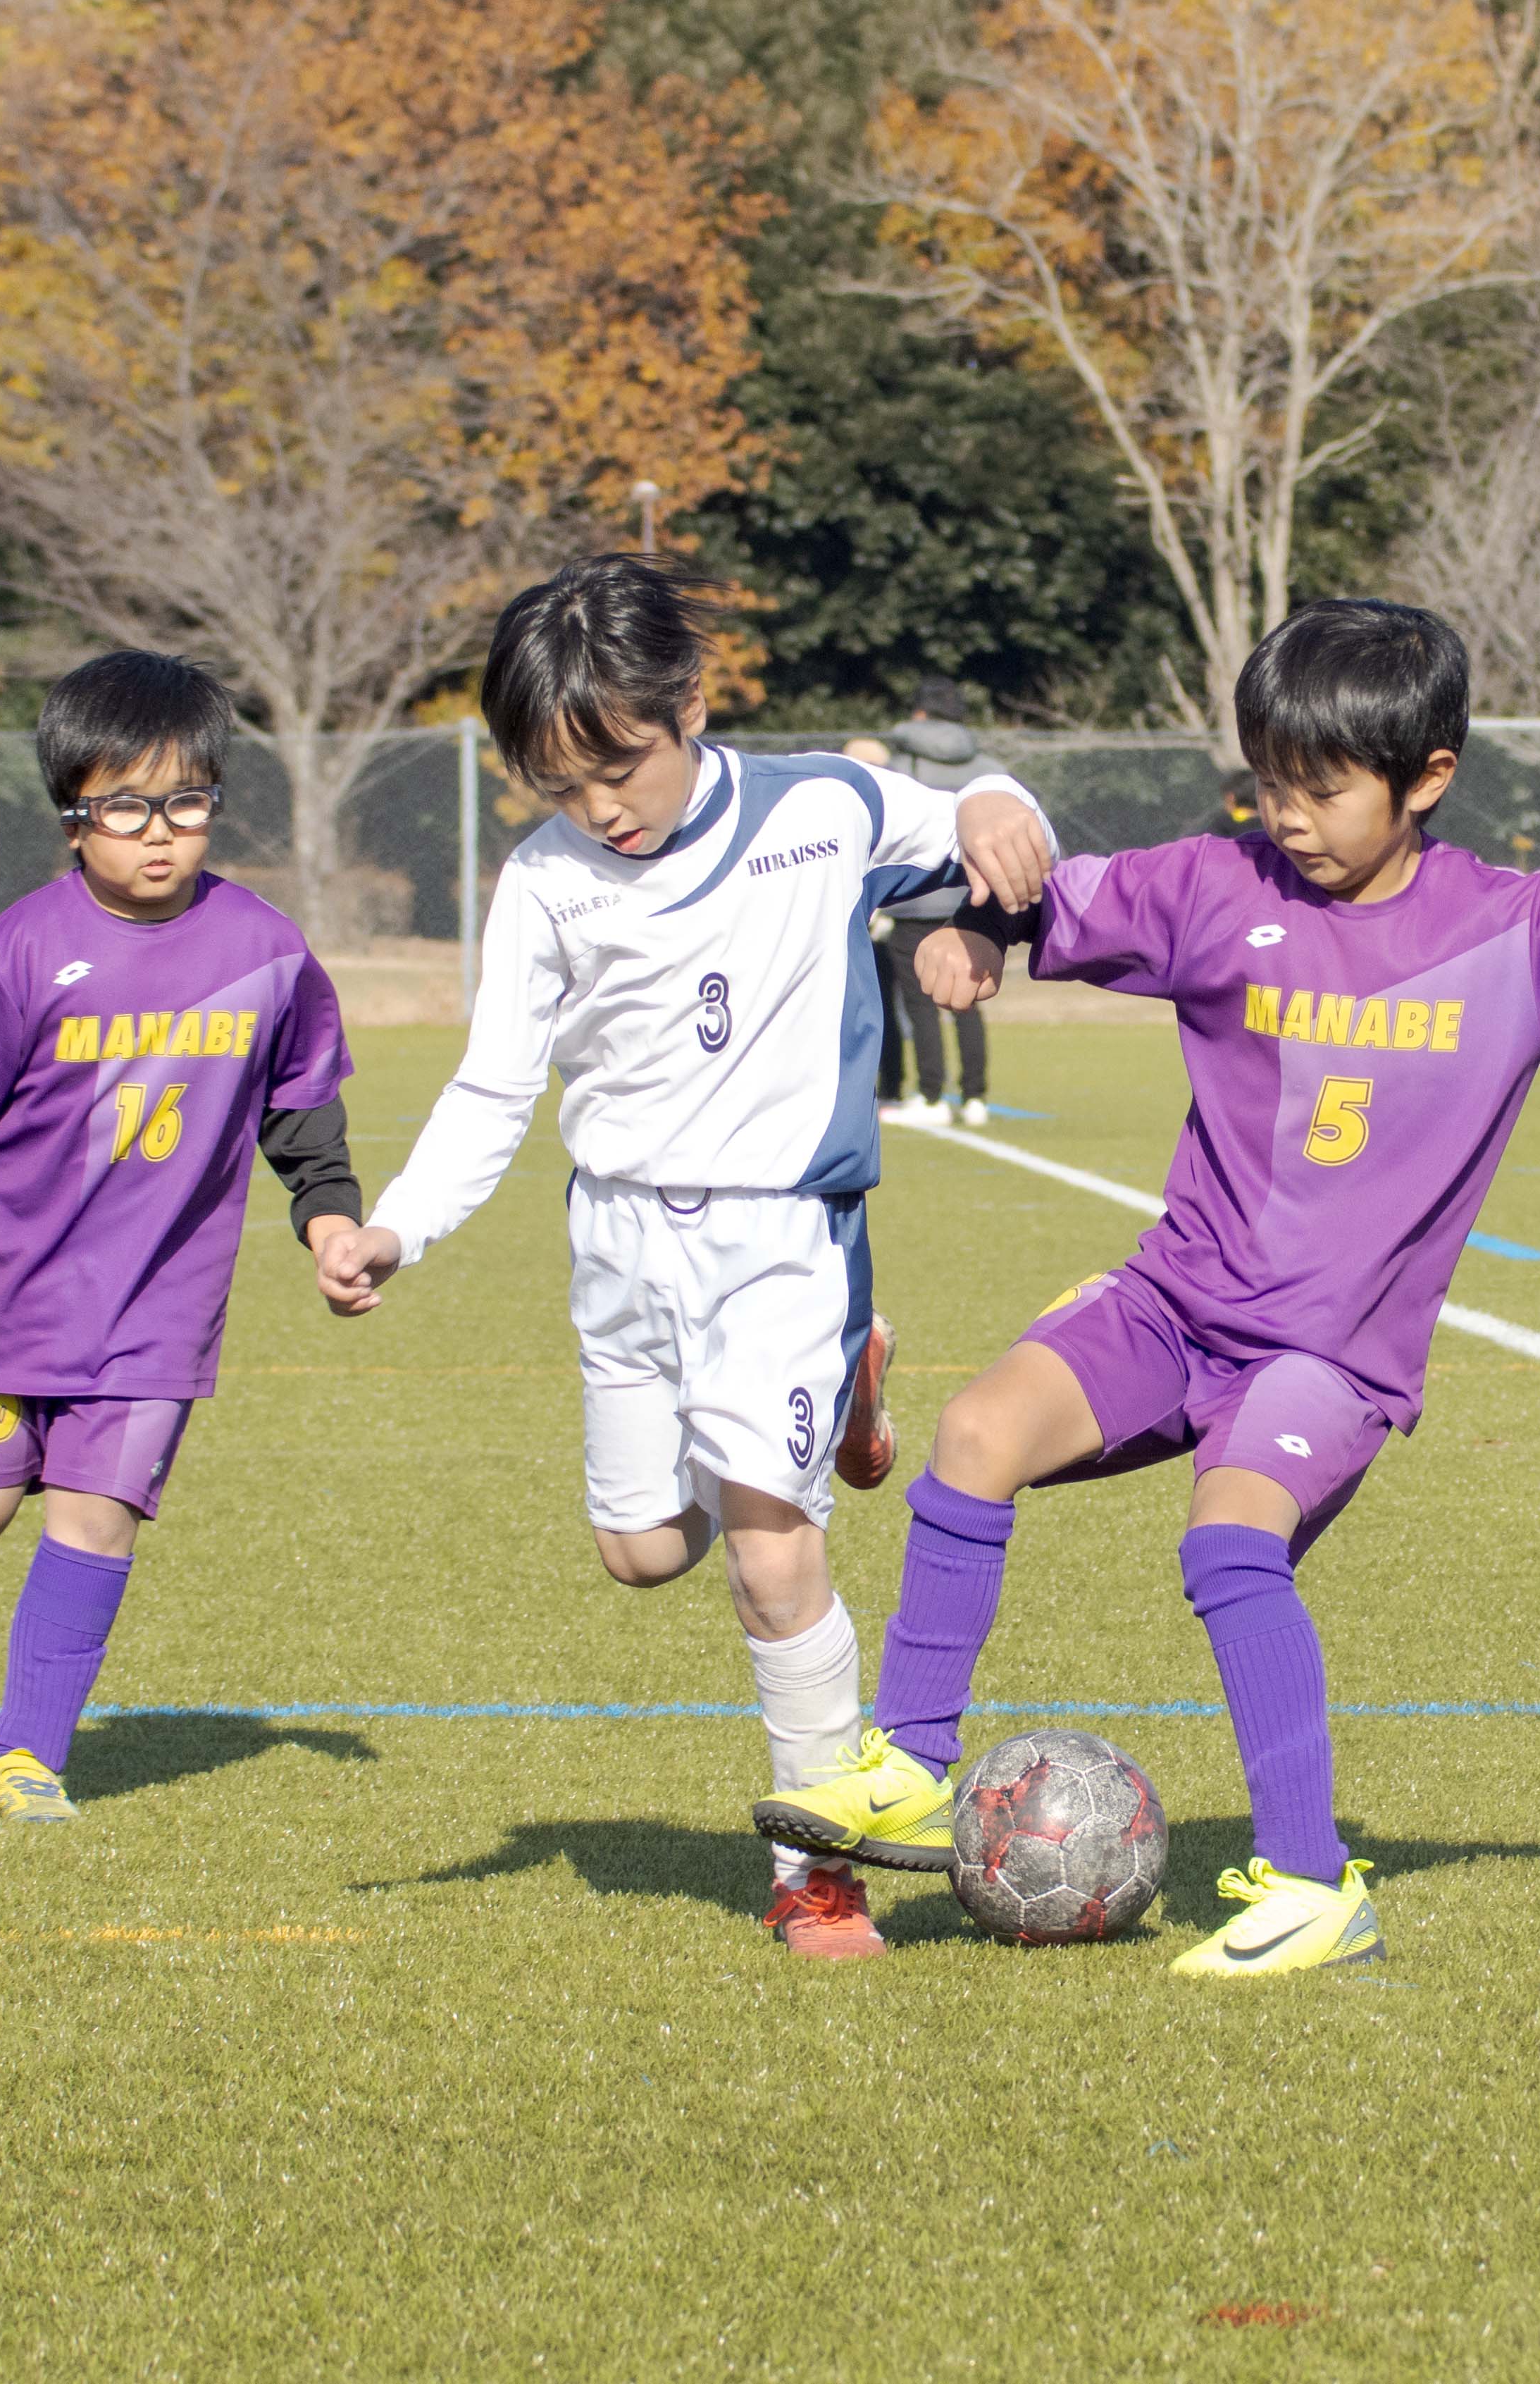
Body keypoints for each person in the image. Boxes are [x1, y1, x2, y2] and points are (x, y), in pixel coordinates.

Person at [752, 600, 1540, 1975]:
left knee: (1227, 1542)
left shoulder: (1520, 936)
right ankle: (913, 1762)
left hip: (1326, 1356)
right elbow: (1011, 893)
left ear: (1427, 775)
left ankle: (1311, 1885)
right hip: (1173, 1302)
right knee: (976, 1430)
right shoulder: (1210, 886)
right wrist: (983, 936)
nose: (1287, 816)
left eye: (1323, 789)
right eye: (1268, 783)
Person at [318, 556, 1052, 1959]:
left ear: (691, 707)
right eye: (557, 783)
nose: (599, 808)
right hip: (616, 1240)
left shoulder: (820, 808)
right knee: (640, 1551)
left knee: (771, 1565)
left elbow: (996, 825)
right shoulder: (546, 884)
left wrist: (990, 854)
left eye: (619, 767)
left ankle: (813, 1874)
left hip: (779, 1235)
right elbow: (491, 1089)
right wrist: (396, 1225)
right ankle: (843, 1390)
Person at [0, 654, 361, 1823]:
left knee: (94, 1514)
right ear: (73, 815)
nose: (160, 834)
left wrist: (328, 1218)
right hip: (7, 1298)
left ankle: (26, 1752)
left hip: (161, 1305)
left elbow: (302, 1105)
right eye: (126, 806)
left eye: (187, 802)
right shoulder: (9, 956)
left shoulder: (266, 950)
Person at [877, 680, 1005, 1128]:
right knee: (969, 997)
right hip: (974, 896)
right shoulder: (986, 765)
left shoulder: (900, 765)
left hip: (914, 900)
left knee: (921, 1001)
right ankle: (976, 1098)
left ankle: (931, 1095)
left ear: (918, 715)